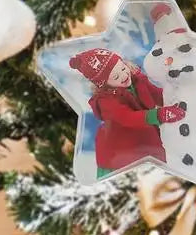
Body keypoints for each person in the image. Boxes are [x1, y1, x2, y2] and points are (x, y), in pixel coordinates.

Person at [68, 47, 186, 177]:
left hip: (145, 136)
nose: (124, 75)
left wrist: (172, 98)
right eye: (116, 77)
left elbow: (155, 93)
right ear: (104, 84)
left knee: (156, 165)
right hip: (121, 148)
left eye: (123, 68)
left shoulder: (137, 80)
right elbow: (128, 118)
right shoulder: (106, 102)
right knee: (137, 176)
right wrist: (159, 115)